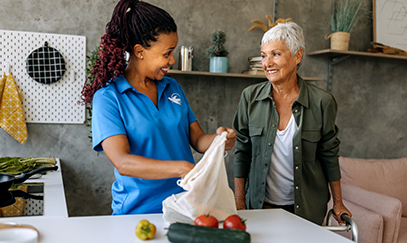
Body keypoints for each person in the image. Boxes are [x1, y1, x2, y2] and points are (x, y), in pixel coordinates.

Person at [80, 0, 236, 215]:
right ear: (139, 51)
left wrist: (219, 139)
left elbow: (198, 140)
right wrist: (182, 168)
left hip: (185, 207)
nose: (172, 60)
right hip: (137, 213)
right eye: (167, 53)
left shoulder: (173, 87)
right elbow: (123, 162)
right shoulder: (108, 98)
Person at [232, 21, 351, 225]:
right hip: (261, 207)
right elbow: (242, 151)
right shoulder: (249, 98)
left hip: (307, 210)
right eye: (263, 55)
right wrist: (239, 202)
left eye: (275, 54)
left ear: (297, 56)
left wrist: (338, 203)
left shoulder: (322, 102)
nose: (267, 62)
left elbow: (329, 154)